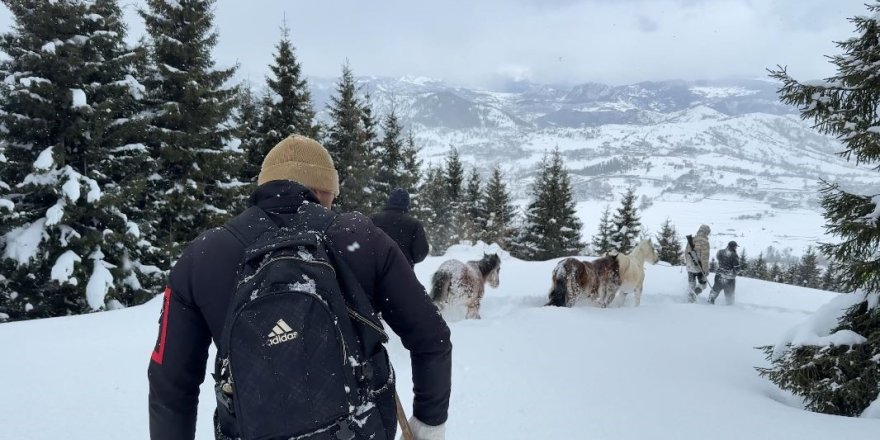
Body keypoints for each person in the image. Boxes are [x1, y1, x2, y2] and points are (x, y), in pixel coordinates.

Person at [147, 135, 451, 440]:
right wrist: (429, 423)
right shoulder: (361, 237)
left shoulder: (203, 257)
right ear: (323, 191)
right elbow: (432, 336)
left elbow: (169, 384)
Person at [370, 188, 429, 268]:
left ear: (389, 201)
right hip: (403, 270)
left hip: (375, 270)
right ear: (407, 203)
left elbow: (363, 244)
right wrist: (408, 259)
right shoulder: (414, 224)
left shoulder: (373, 219)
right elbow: (420, 253)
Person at [685, 224, 711, 302]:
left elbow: (686, 253)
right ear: (706, 232)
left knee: (691, 285)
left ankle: (689, 299)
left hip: (690, 267)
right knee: (703, 284)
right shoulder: (705, 242)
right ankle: (694, 294)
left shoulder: (691, 239)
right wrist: (706, 270)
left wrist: (688, 263)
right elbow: (704, 258)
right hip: (699, 268)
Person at [709, 241, 740, 305]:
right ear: (734, 247)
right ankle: (729, 307)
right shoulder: (734, 255)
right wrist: (735, 273)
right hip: (729, 278)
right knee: (729, 294)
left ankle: (710, 300)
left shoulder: (720, 252)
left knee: (716, 289)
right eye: (735, 247)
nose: (736, 248)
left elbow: (718, 258)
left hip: (719, 275)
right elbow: (737, 268)